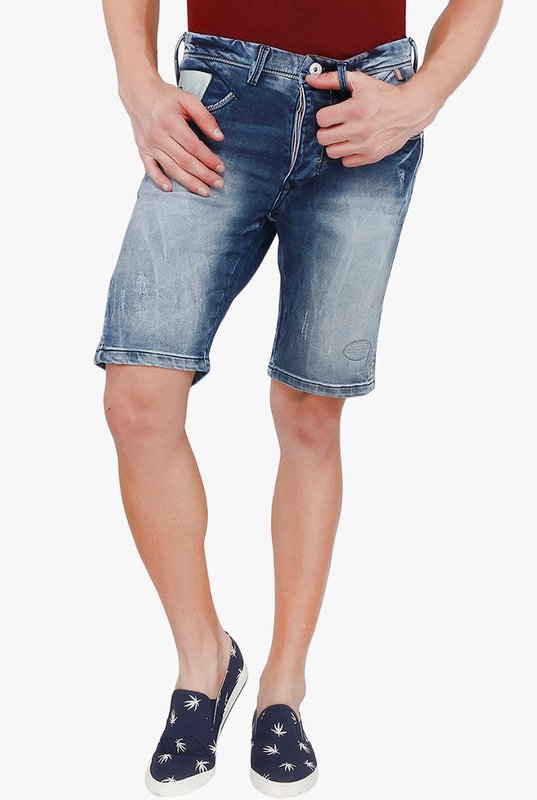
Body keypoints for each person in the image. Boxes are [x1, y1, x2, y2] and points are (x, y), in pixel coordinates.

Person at [93, 0, 502, 795]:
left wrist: (424, 96)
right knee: (136, 401)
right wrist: (135, 82)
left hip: (361, 110)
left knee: (311, 411)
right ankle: (204, 660)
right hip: (220, 103)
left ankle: (282, 685)